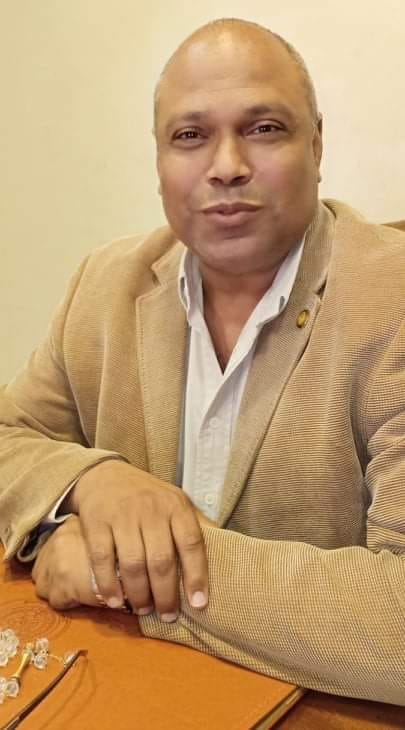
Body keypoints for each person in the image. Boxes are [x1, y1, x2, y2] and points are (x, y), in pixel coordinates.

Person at [1, 17, 405, 706]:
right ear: (159, 159)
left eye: (263, 128)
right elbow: (12, 436)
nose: (226, 166)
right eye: (190, 136)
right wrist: (95, 482)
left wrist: (120, 566)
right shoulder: (105, 283)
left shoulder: (390, 301)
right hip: (126, 695)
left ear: (316, 142)